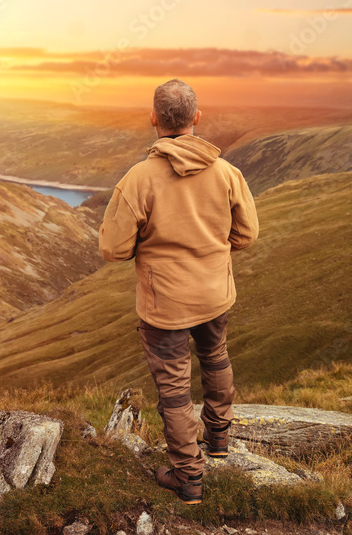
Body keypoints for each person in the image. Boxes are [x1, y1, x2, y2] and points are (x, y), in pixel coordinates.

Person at [98, 78, 259, 505]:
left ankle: (188, 478)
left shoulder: (139, 180)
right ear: (196, 118)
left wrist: (147, 248)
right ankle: (219, 440)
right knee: (216, 357)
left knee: (174, 390)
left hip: (164, 305)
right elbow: (246, 235)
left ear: (153, 118)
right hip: (214, 294)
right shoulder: (228, 173)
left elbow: (112, 249)